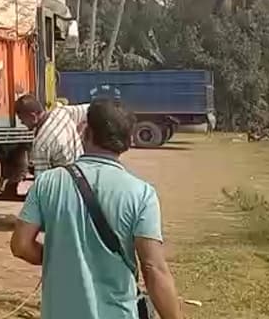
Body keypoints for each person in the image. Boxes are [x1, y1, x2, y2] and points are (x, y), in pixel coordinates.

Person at [10, 99, 183, 319]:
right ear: (128, 141)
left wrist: (59, 256)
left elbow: (20, 245)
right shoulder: (142, 194)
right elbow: (153, 268)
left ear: (85, 133)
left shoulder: (48, 183)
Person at [14, 93, 87, 175]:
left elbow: (42, 179)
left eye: (22, 119)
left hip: (66, 181)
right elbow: (89, 109)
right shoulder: (61, 113)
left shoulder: (40, 143)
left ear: (33, 116)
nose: (22, 122)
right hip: (84, 172)